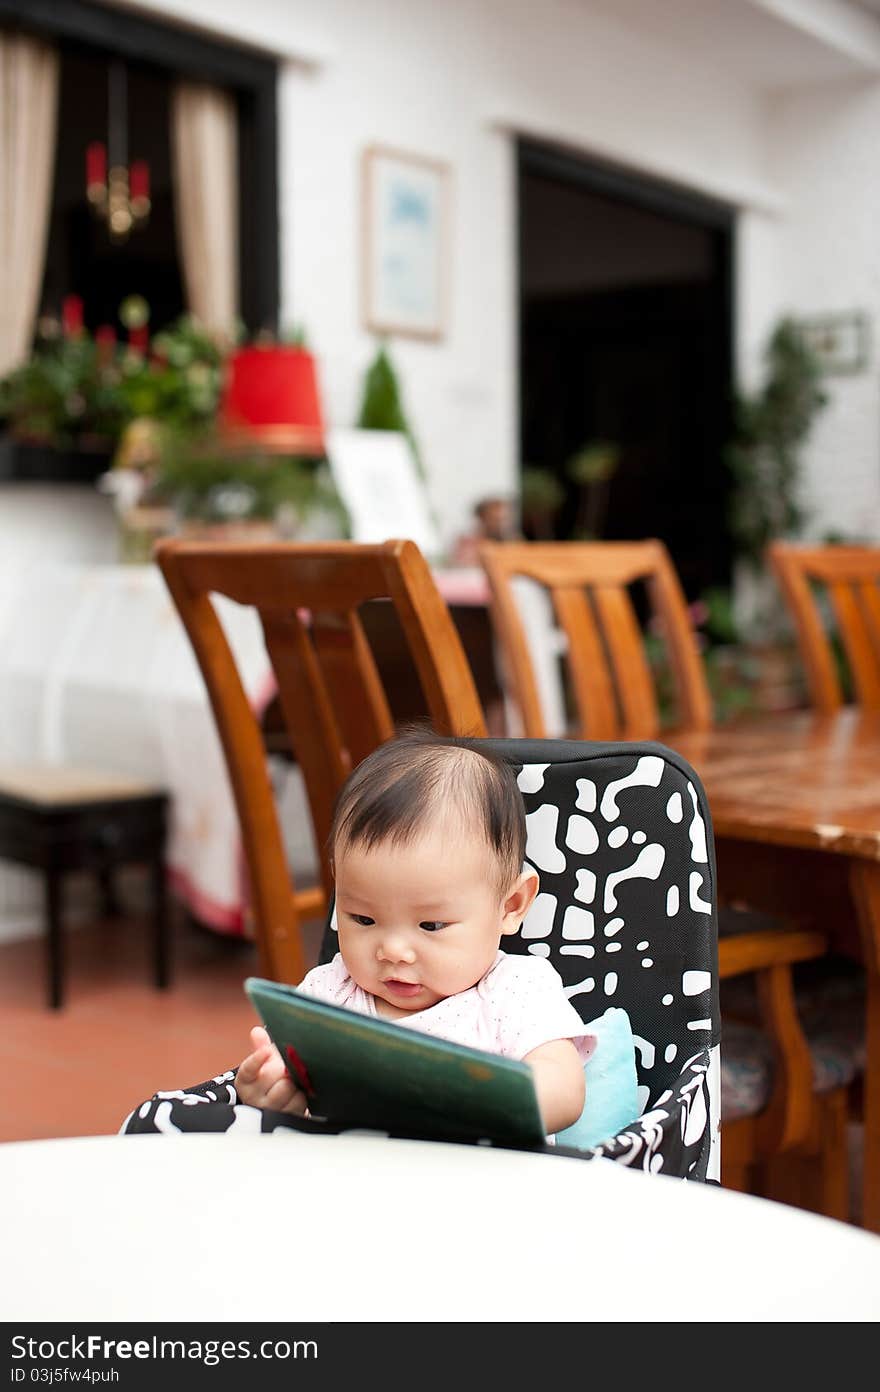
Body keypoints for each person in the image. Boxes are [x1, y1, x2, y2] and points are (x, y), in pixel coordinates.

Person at [235, 729, 594, 1137]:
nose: (393, 950)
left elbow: (564, 1090)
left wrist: (476, 1105)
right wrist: (270, 1093)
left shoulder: (514, 992)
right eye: (363, 919)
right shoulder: (330, 994)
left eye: (431, 926)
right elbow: (291, 1087)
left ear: (510, 906)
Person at [450, 495, 519, 567]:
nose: (501, 524)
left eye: (505, 519)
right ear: (481, 518)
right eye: (495, 519)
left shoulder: (513, 542)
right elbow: (462, 567)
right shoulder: (467, 543)